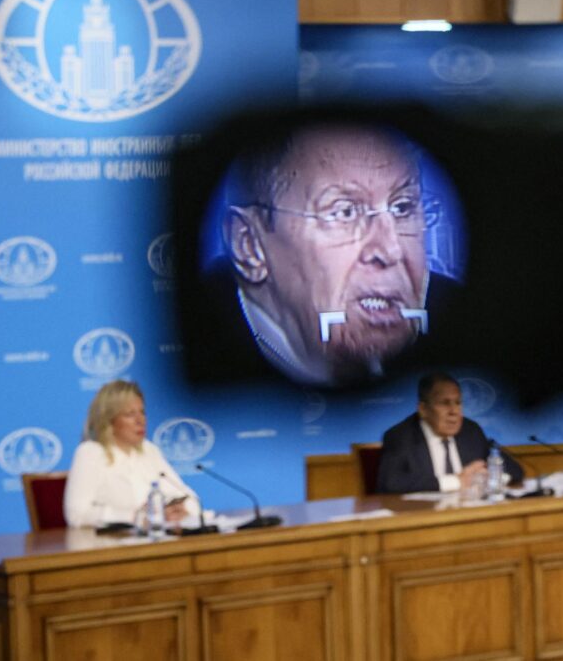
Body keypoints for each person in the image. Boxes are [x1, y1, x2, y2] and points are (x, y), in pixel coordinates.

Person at [222, 124, 436, 387]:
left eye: (402, 208)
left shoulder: (461, 326)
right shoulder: (203, 350)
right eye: (345, 212)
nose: (391, 250)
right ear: (249, 245)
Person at [64, 380, 200, 528]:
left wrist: (181, 510)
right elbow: (77, 514)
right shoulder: (90, 453)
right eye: (130, 414)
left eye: (142, 412)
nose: (140, 420)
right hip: (114, 541)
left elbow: (189, 498)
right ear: (109, 420)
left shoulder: (149, 450)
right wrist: (135, 517)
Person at [376, 372, 523, 494]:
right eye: (444, 403)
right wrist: (456, 481)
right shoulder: (400, 436)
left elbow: (516, 471)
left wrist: (489, 477)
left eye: (458, 403)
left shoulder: (471, 431)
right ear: (423, 409)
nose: (454, 411)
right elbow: (390, 483)